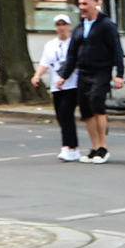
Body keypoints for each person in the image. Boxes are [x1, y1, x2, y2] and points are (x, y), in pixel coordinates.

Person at [66, 0, 125, 162]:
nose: (82, 7)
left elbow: (117, 50)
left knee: (96, 103)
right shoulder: (79, 27)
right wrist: (64, 75)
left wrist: (119, 74)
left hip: (101, 70)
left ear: (94, 3)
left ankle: (103, 147)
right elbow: (72, 54)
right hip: (83, 71)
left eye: (85, 3)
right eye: (80, 4)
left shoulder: (106, 25)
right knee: (85, 109)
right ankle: (94, 146)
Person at [36, 15, 81, 160]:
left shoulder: (74, 43)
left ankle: (67, 146)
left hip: (72, 84)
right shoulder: (51, 44)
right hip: (56, 86)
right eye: (58, 25)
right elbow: (45, 61)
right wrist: (37, 75)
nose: (61, 28)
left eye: (64, 24)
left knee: (66, 113)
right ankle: (73, 146)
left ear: (69, 26)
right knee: (61, 116)